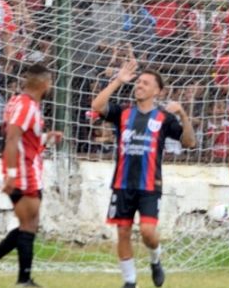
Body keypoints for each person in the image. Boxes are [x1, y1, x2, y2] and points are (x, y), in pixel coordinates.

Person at [90, 59, 196, 288]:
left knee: (148, 232)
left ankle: (155, 259)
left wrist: (183, 115)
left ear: (157, 91)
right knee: (123, 232)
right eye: (138, 81)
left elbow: (189, 142)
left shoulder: (164, 118)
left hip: (150, 185)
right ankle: (130, 282)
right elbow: (97, 106)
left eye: (145, 83)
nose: (139, 85)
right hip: (122, 183)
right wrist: (119, 80)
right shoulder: (122, 113)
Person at [0, 63, 62, 287]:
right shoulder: (26, 106)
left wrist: (45, 138)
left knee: (30, 223)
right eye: (50, 81)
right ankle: (21, 279)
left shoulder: (19, 102)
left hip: (25, 167)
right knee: (29, 222)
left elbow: (25, 138)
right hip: (23, 170)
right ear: (44, 84)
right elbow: (12, 138)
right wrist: (12, 174)